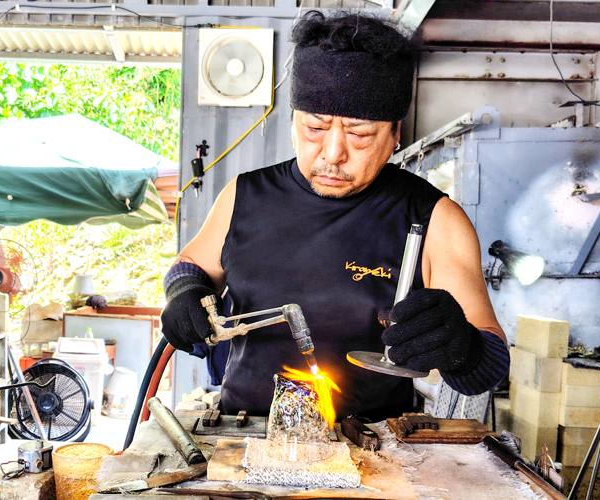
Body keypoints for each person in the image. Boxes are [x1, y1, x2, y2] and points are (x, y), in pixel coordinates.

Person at [161, 11, 509, 420]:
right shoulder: (245, 195)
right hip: (244, 441)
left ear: (395, 133)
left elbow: (487, 368)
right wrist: (183, 293)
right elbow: (189, 266)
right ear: (294, 120)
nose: (331, 154)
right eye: (314, 128)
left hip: (371, 456)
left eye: (359, 134)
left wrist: (461, 347)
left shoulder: (435, 218)